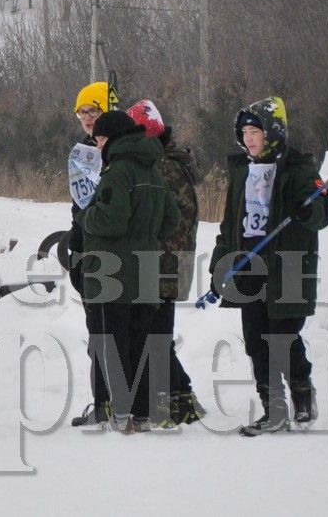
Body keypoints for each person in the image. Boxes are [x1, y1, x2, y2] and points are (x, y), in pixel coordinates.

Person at [208, 96, 328, 435]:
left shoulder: (299, 168)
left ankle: (302, 393)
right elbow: (228, 224)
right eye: (245, 131)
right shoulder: (241, 171)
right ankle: (273, 409)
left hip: (287, 266)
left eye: (255, 131)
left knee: (283, 337)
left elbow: (322, 213)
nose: (249, 138)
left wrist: (310, 211)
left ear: (272, 131)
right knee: (256, 341)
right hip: (249, 266)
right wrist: (221, 262)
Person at [74, 109, 180, 433]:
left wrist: (85, 216)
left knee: (115, 343)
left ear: (114, 138)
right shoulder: (154, 170)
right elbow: (171, 220)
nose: (98, 145)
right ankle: (143, 413)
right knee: (141, 342)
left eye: (101, 139)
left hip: (114, 272)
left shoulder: (117, 171)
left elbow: (112, 219)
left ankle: (120, 414)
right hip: (146, 270)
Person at [126, 99, 205, 427]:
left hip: (164, 262)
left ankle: (179, 399)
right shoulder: (169, 162)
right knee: (156, 335)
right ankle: (180, 400)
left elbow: (163, 217)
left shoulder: (165, 167)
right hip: (168, 261)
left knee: (154, 336)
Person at [66, 81, 107, 427]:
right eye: (83, 112)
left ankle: (116, 401)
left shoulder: (116, 151)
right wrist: (74, 245)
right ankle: (102, 400)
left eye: (93, 110)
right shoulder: (81, 152)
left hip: (114, 253)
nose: (88, 118)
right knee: (96, 332)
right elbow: (78, 204)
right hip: (87, 247)